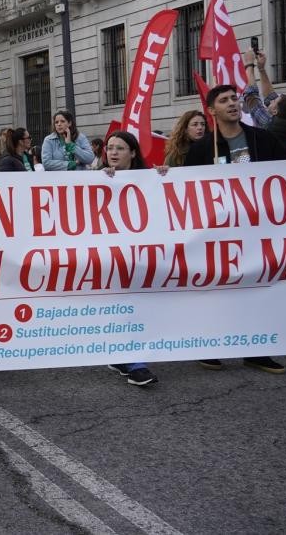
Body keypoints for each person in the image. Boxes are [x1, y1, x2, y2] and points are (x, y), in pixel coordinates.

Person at [184, 84, 286, 373]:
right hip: (217, 232)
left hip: (258, 229)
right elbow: (183, 189)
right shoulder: (203, 147)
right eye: (224, 100)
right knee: (217, 289)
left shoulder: (261, 139)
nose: (232, 103)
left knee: (257, 286)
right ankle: (211, 344)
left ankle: (256, 349)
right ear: (211, 109)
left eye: (235, 98)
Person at [99, 131, 163, 387]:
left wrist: (166, 177)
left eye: (120, 148)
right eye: (110, 148)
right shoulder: (97, 178)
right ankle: (135, 363)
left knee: (136, 305)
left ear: (133, 153)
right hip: (112, 254)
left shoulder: (150, 179)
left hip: (141, 253)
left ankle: (122, 358)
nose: (113, 152)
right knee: (124, 305)